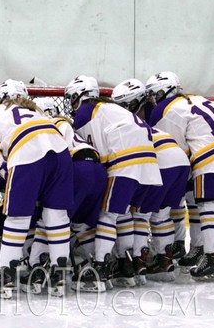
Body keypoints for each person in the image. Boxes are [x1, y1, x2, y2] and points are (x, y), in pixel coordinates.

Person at [0, 79, 72, 299]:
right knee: (56, 216)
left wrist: (1, 169)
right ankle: (59, 274)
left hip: (26, 153)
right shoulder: (38, 112)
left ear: (0, 98)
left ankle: (5, 275)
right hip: (61, 153)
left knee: (17, 219)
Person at [146, 71, 214, 280]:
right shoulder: (197, 99)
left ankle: (212, 257)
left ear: (162, 92)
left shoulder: (165, 110)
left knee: (207, 205)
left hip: (209, 156)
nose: (153, 100)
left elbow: (171, 150)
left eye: (154, 95)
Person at [65, 75, 161, 292]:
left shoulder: (85, 112)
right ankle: (129, 266)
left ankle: (99, 269)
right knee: (127, 214)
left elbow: (95, 154)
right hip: (150, 164)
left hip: (125, 162)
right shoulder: (109, 109)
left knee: (107, 216)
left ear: (79, 96)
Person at [111, 78, 190, 283]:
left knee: (140, 215)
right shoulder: (146, 123)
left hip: (161, 162)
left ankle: (137, 263)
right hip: (181, 161)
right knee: (162, 214)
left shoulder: (123, 127)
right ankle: (166, 260)